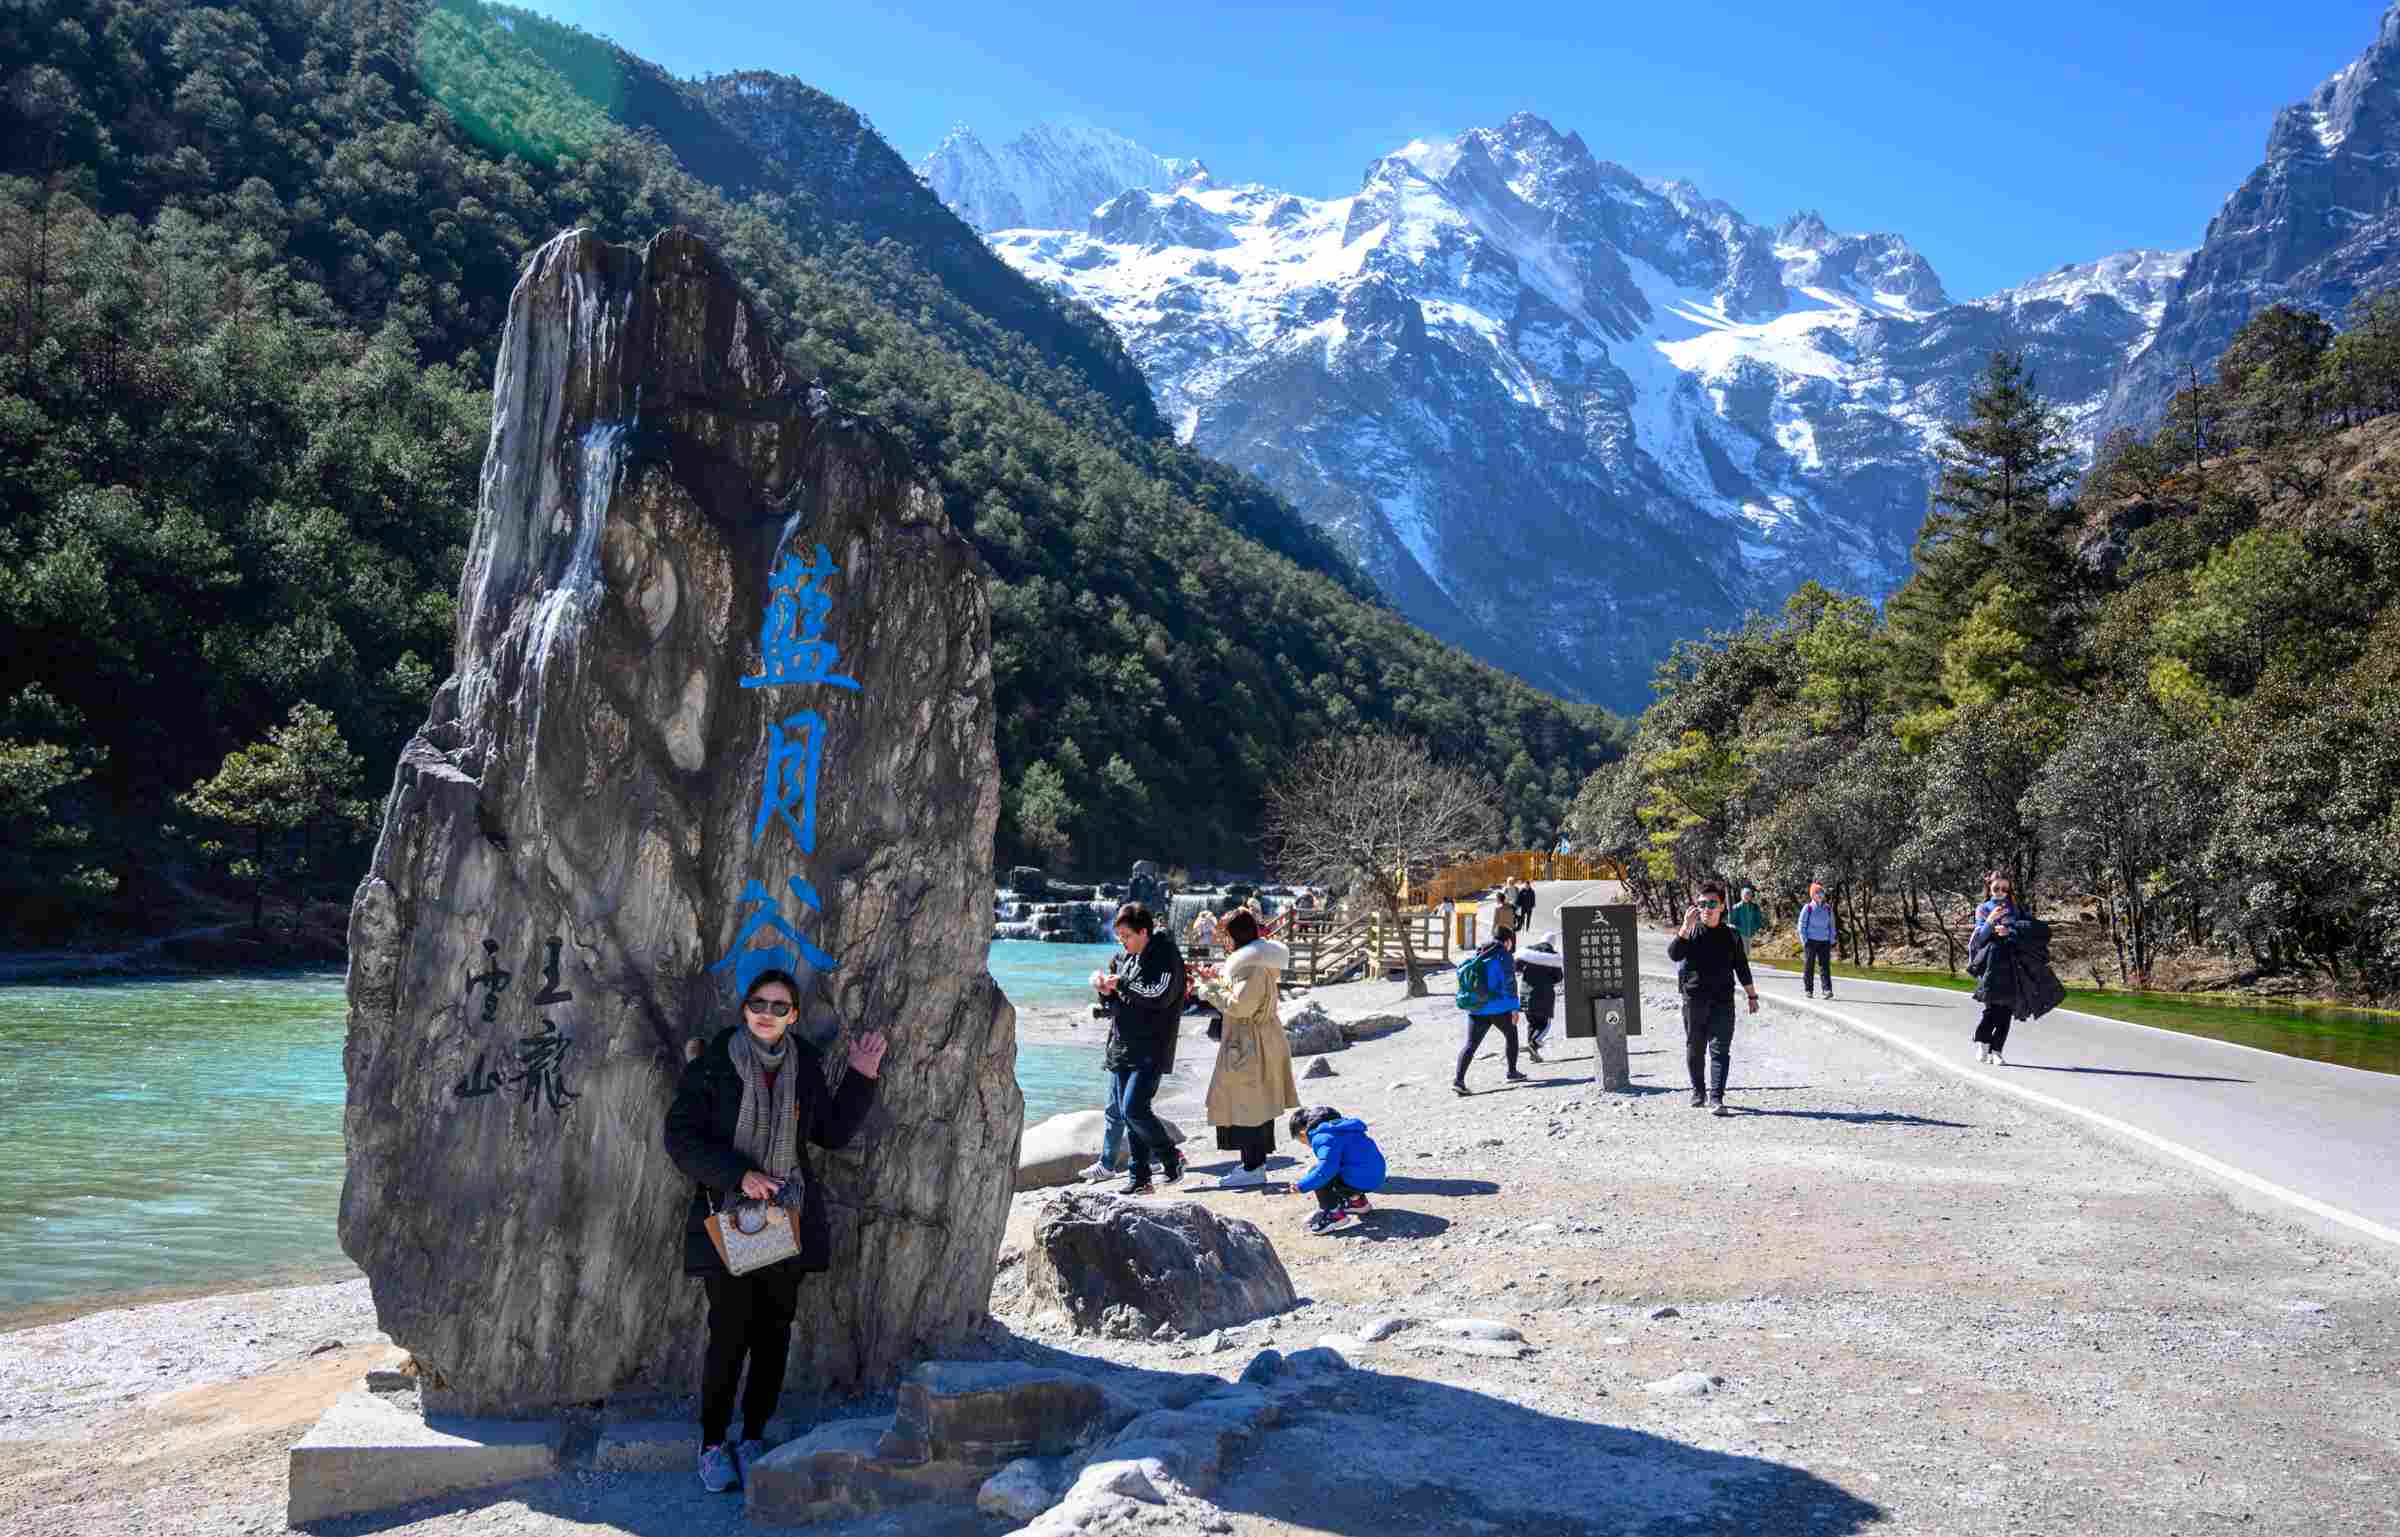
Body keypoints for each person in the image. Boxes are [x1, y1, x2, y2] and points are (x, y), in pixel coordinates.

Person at [663, 969, 887, 1494]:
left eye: (779, 1006)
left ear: (793, 1016)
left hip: (787, 1218)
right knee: (728, 1335)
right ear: (744, 1010)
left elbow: (830, 1132)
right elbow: (680, 1137)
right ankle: (713, 1444)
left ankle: (754, 1437)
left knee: (774, 1334)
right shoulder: (716, 1065)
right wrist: (738, 1174)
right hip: (729, 1217)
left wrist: (861, 1074)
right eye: (758, 1003)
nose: (768, 1013)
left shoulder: (803, 1064)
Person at [1195, 909, 1300, 1188]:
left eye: (1225, 936)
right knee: (1254, 1103)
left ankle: (1253, 1167)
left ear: (1234, 936)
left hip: (1250, 1041)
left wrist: (1208, 989)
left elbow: (1240, 1006)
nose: (1223, 942)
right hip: (1257, 1038)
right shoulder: (1257, 960)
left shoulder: (1250, 966)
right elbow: (1242, 998)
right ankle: (1253, 1165)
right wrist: (1214, 981)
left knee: (1248, 1104)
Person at [1093, 902, 1186, 1196]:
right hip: (1124, 1045)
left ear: (1144, 931)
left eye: (1126, 935)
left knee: (1134, 1108)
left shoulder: (1165, 954)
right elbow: (1125, 1003)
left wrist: (1120, 984)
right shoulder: (1129, 957)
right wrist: (1106, 993)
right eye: (1119, 936)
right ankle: (1140, 1177)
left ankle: (1172, 1158)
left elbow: (1158, 994)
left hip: (1152, 1045)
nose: (1122, 942)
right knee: (1126, 1111)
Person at [1668, 882, 1759, 1115]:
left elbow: (1742, 966)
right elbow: (1674, 953)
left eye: (1711, 903)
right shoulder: (1691, 931)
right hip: (1694, 999)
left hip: (1723, 1000)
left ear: (1721, 907)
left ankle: (1716, 1097)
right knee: (1695, 1047)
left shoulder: (1731, 935)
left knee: (1720, 1049)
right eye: (1701, 904)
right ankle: (1698, 1091)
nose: (1706, 908)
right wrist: (1684, 927)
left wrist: (1751, 995)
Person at [1968, 878, 2055, 1065]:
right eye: (1996, 888)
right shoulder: (1983, 909)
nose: (2000, 891)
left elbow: (2030, 930)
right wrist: (1990, 921)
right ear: (1989, 889)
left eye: (2005, 888)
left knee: (2007, 1009)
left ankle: (1997, 1051)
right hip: (1991, 961)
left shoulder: (2016, 908)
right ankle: (1982, 1040)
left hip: (2013, 961)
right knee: (1991, 1008)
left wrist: (2011, 931)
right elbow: (1979, 939)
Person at [1289, 1105, 1387, 1234]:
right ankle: (1358, 1203)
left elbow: (1325, 1170)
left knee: (1319, 1174)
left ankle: (1335, 1216)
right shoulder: (1346, 1128)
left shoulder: (1322, 1137)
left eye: (1302, 1141)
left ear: (1302, 1133)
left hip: (1359, 1179)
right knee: (1347, 1165)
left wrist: (1301, 1186)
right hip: (1377, 1176)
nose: (1307, 1145)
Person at [1453, 927, 1525, 1095]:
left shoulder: (1480, 952)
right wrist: (1515, 1008)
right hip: (1499, 1008)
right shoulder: (1504, 956)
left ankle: (1458, 1081)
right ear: (1507, 941)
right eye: (1511, 942)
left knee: (1471, 1045)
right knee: (1511, 1035)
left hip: (1477, 1008)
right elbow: (1509, 984)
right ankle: (1512, 1072)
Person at [1516, 929, 1564, 1061]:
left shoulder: (1528, 952)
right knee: (1544, 1024)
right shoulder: (1553, 957)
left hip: (1525, 993)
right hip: (1543, 996)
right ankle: (1534, 1044)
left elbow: (1517, 967)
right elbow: (1558, 978)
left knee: (1531, 1023)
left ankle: (1533, 1053)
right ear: (1552, 944)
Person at [1797, 881, 1838, 999]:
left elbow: (1832, 925)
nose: (1820, 895)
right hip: (1810, 941)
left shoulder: (1828, 909)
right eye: (1817, 893)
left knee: (1825, 966)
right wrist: (1804, 940)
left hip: (1824, 941)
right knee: (1809, 966)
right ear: (1812, 895)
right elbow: (1801, 925)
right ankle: (1808, 990)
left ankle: (1827, 990)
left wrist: (1831, 939)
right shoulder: (1808, 908)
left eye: (1821, 892)